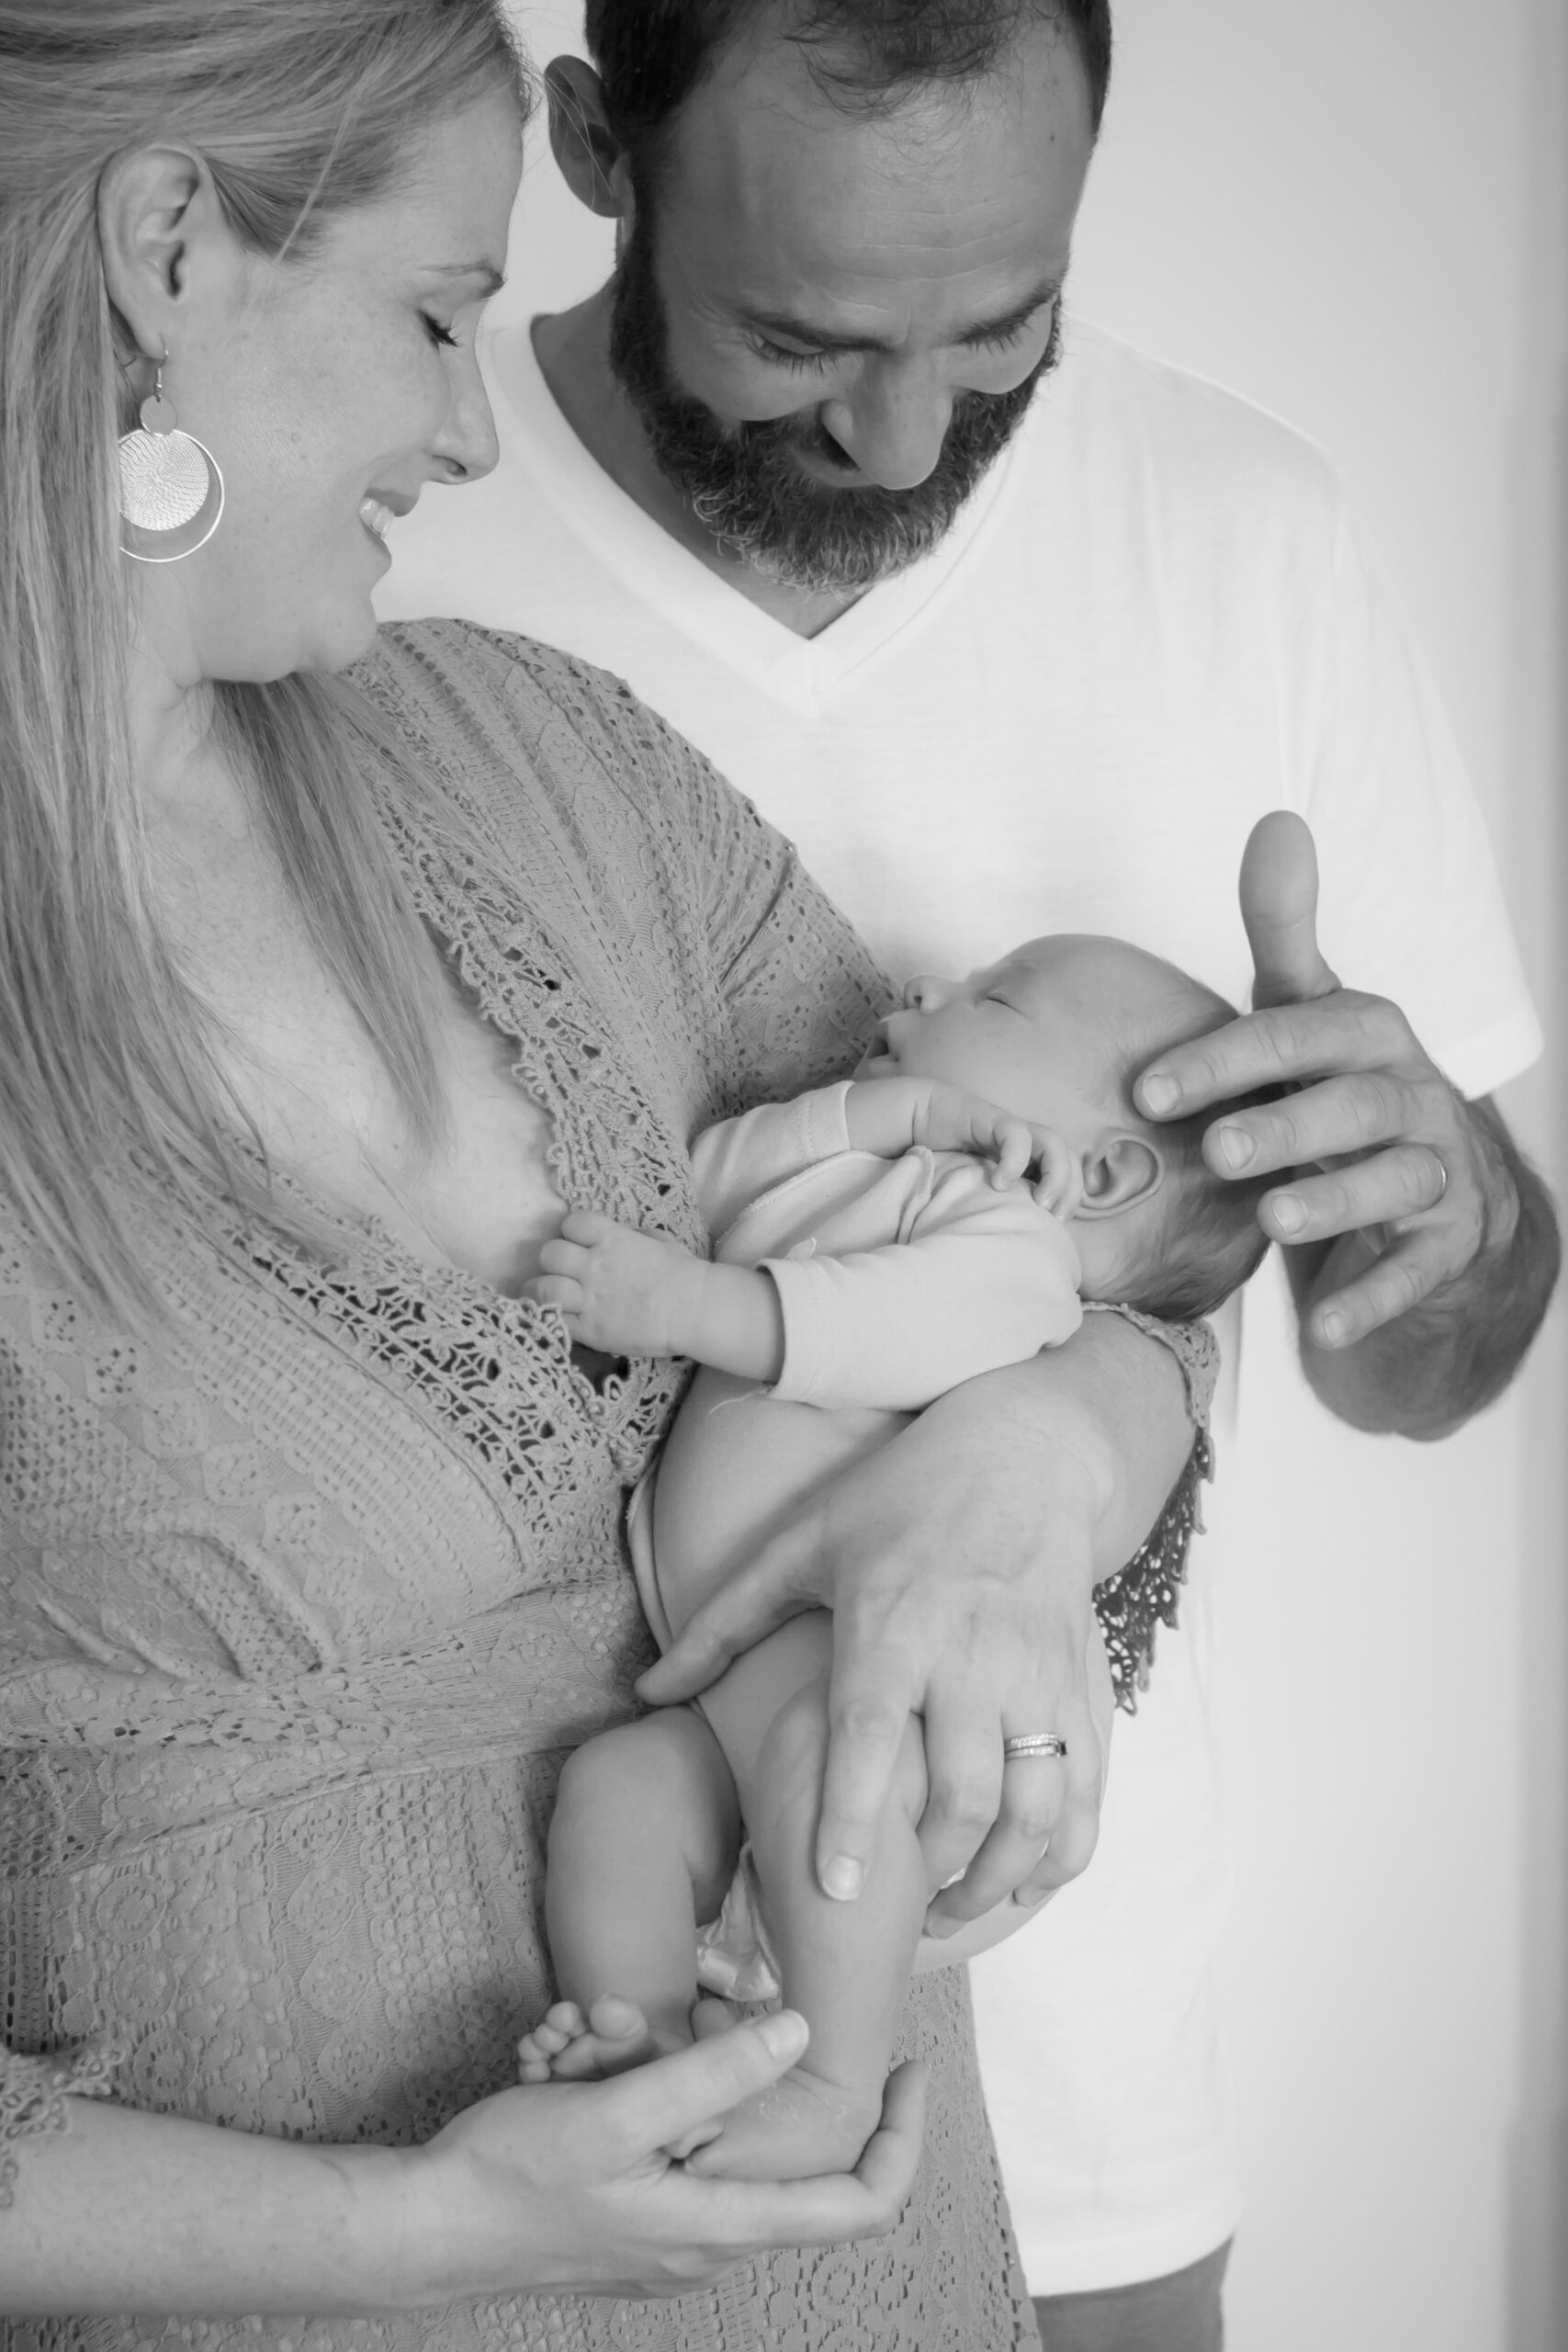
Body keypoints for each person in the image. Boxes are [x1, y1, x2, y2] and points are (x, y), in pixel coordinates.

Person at [0, 4, 1222, 2345]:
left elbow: (1085, 1246)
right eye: (436, 315)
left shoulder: (538, 762)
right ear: (164, 249)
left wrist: (1033, 1460)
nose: (477, 428)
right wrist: (399, 2230)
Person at [374, 0, 1562, 2340]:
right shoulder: (373, 518)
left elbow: (1438, 1359)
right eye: (797, 338)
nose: (905, 435)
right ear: (593, 149)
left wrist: (1440, 1225)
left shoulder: (1239, 534)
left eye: (1004, 326)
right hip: (455, 2049)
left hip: (1076, 2071)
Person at [516, 931, 1274, 2187]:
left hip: (869, 1701)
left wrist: (692, 1307)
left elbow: (899, 1326)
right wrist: (888, 1113)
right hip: (733, 1707)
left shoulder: (1014, 1245)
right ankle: (648, 2041)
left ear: (1099, 1171)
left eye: (997, 999)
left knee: (827, 1765)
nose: (929, 989)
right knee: (616, 1790)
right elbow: (703, 1182)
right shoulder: (877, 1177)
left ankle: (831, 2090)